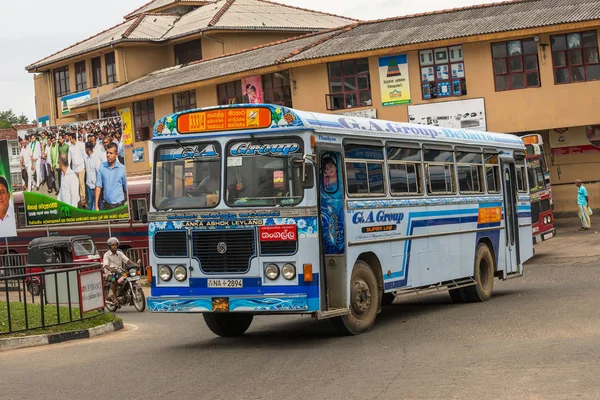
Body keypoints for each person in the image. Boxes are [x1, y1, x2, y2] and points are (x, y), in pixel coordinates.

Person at [103, 237, 139, 304]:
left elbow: (127, 260)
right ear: (109, 246)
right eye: (112, 245)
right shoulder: (106, 255)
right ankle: (114, 297)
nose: (114, 246)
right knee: (113, 280)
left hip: (120, 272)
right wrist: (111, 269)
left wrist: (135, 264)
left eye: (115, 245)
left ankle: (127, 294)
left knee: (129, 277)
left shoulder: (120, 253)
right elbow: (105, 265)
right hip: (110, 274)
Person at [95, 143, 127, 211]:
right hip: (107, 205)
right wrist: (96, 205)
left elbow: (126, 187)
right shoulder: (102, 167)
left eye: (111, 153)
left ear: (116, 154)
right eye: (107, 152)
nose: (108, 155)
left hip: (119, 205)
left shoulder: (122, 169)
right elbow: (98, 186)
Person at [68, 133, 86, 208]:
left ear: (73, 138)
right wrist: (69, 169)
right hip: (74, 169)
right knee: (76, 184)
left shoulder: (81, 145)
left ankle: (83, 200)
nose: (69, 140)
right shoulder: (70, 147)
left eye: (70, 138)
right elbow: (69, 158)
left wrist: (86, 167)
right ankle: (77, 200)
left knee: (82, 184)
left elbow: (84, 156)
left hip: (81, 168)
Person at [84, 142, 101, 211]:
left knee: (98, 203)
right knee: (90, 203)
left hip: (95, 186)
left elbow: (99, 173)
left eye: (85, 148)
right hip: (89, 185)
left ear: (88, 149)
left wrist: (97, 187)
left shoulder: (96, 158)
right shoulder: (86, 158)